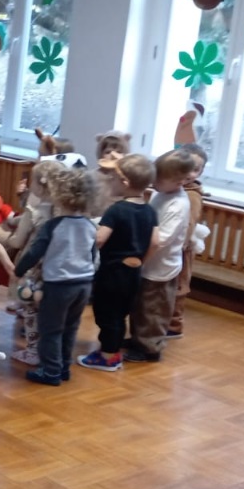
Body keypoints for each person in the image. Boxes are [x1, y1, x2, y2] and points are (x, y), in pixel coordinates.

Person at [12, 167, 97, 385]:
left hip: (59, 285)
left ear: (58, 195)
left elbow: (35, 252)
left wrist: (19, 270)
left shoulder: (53, 226)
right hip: (84, 284)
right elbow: (93, 255)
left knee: (50, 329)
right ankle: (63, 367)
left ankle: (50, 371)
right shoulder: (89, 225)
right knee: (70, 327)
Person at [79, 154, 158, 372]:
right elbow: (156, 242)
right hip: (133, 273)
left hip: (112, 272)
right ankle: (112, 350)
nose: (110, 181)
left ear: (125, 183)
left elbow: (99, 239)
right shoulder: (150, 210)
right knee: (120, 313)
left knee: (106, 313)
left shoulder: (116, 210)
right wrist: (141, 261)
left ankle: (108, 357)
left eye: (113, 178)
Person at [126, 150, 194, 363]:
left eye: (159, 179)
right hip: (147, 263)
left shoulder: (178, 204)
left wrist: (139, 243)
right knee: (140, 305)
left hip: (161, 268)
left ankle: (150, 347)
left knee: (154, 309)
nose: (153, 182)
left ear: (179, 181)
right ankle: (138, 338)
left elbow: (162, 238)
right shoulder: (159, 193)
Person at [169, 143, 208, 339]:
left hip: (182, 248)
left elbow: (189, 223)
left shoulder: (192, 195)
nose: (190, 173)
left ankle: (174, 325)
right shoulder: (176, 188)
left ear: (200, 172)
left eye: (195, 169)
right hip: (173, 246)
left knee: (179, 284)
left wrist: (181, 245)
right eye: (187, 167)